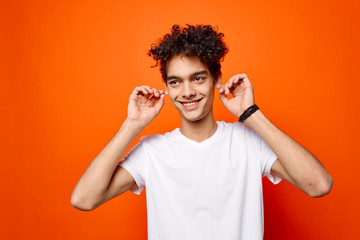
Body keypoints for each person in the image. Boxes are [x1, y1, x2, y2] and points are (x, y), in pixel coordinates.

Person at [71, 24, 333, 239]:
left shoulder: (248, 142)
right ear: (166, 86)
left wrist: (251, 114)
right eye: (175, 82)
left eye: (198, 78)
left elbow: (318, 185)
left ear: (216, 79)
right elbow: (83, 199)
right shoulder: (153, 152)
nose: (187, 92)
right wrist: (133, 125)